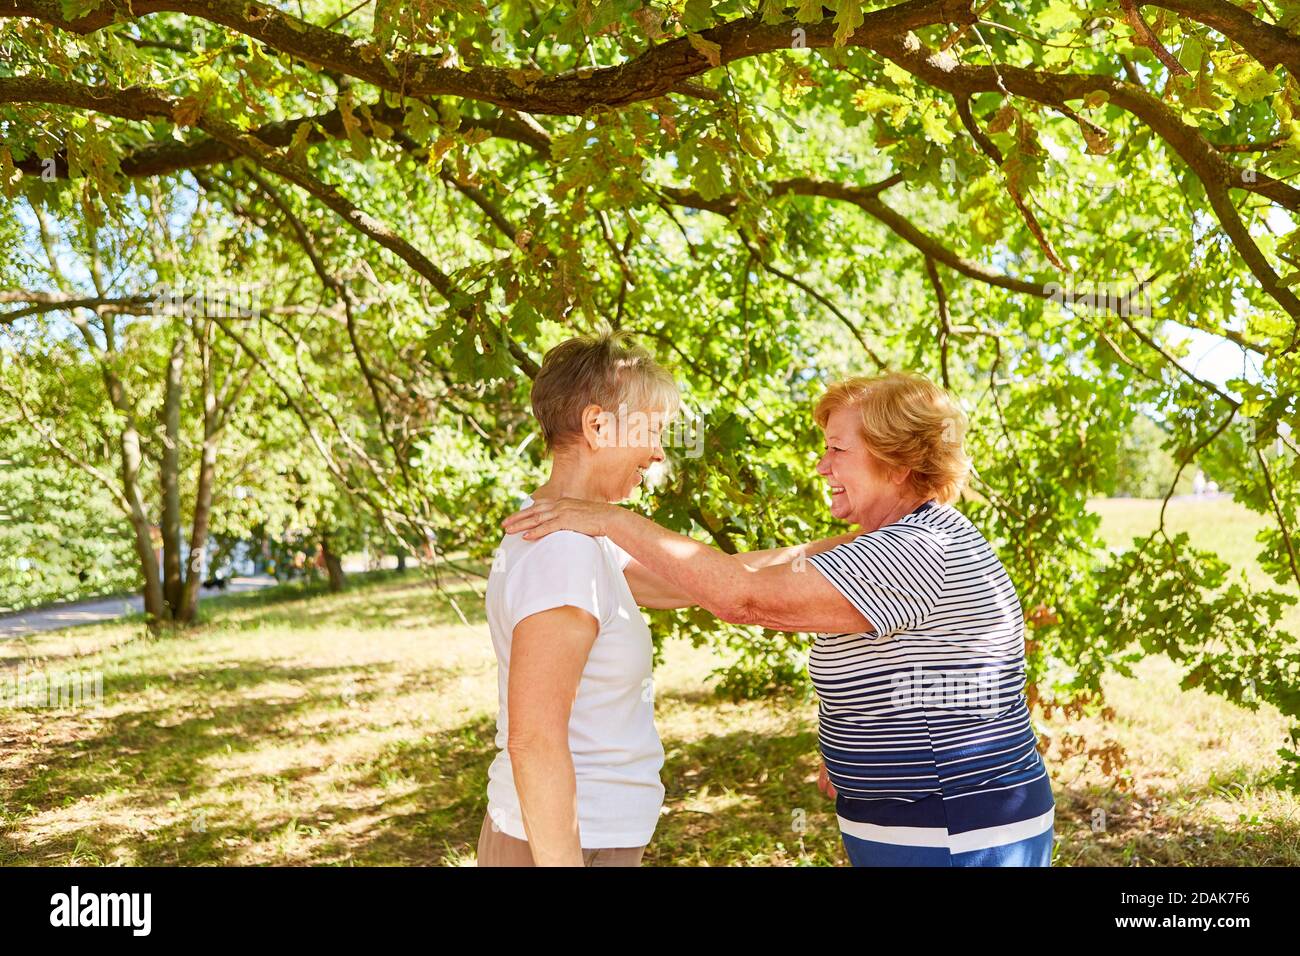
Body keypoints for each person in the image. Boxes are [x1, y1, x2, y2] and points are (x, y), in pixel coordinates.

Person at [504, 371, 1055, 866]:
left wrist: (609, 519)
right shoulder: (880, 543)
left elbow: (741, 597)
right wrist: (580, 541)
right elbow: (711, 575)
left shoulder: (913, 552)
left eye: (838, 449)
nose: (822, 465)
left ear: (898, 461)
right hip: (914, 820)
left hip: (960, 828)